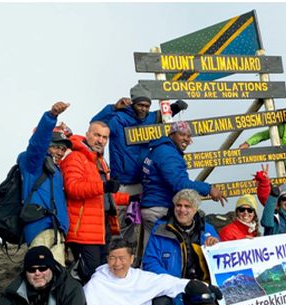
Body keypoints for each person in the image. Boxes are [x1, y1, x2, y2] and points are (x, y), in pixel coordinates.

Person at [142, 189, 238, 305]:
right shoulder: (161, 229)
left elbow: (221, 260)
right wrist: (174, 283)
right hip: (171, 287)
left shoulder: (207, 229)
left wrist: (214, 246)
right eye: (179, 205)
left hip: (200, 286)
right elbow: (150, 262)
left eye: (187, 206)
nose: (182, 210)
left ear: (195, 209)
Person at [91, 85, 188, 250]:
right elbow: (96, 124)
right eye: (140, 105)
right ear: (133, 103)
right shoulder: (118, 119)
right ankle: (117, 258)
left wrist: (176, 107)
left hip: (143, 183)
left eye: (146, 106)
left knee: (141, 227)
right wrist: (113, 107)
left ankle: (137, 261)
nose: (143, 109)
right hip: (122, 183)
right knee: (121, 226)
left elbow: (161, 115)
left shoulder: (149, 118)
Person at [141, 120, 227, 251]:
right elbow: (179, 184)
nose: (186, 139)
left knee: (153, 249)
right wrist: (209, 189)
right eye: (182, 134)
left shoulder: (159, 150)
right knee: (161, 252)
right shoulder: (168, 154)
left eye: (188, 136)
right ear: (172, 135)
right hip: (160, 208)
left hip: (152, 206)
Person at [61, 121, 129, 283]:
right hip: (82, 230)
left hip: (101, 228)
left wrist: (129, 199)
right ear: (87, 134)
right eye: (97, 135)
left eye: (105, 137)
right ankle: (71, 297)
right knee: (89, 272)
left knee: (102, 272)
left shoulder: (99, 161)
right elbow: (73, 188)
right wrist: (104, 185)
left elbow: (103, 197)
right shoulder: (75, 157)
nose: (101, 140)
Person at [17, 102, 71, 266]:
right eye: (56, 147)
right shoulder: (33, 163)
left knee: (56, 277)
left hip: (56, 229)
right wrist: (51, 117)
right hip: (40, 229)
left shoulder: (55, 171)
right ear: (47, 146)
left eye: (63, 149)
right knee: (40, 275)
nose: (60, 152)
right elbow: (37, 143)